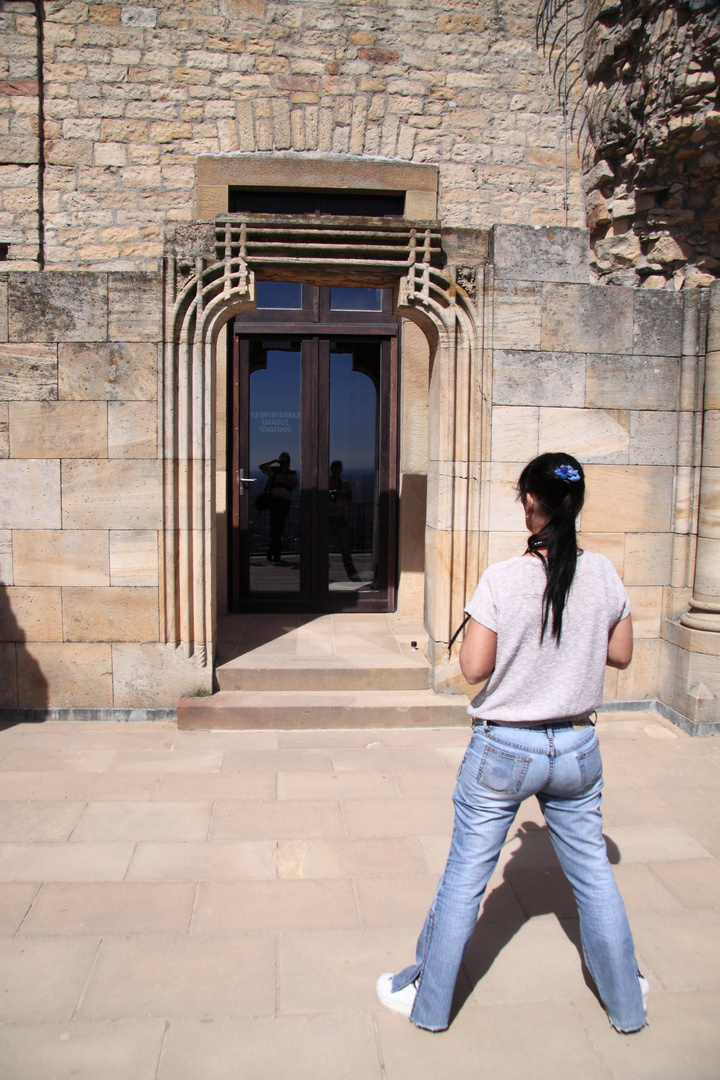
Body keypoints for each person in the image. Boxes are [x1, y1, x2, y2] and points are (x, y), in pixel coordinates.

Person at [376, 452, 648, 1034]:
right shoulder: (602, 573)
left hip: (505, 748)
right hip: (576, 749)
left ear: (531, 503)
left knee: (465, 877)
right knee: (594, 877)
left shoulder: (504, 577)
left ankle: (429, 1004)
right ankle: (626, 1002)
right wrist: (572, 644)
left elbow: (474, 668)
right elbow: (621, 653)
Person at [259, 452, 298, 563]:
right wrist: (274, 461)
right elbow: (261, 467)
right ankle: (275, 553)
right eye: (282, 459)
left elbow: (293, 486)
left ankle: (273, 552)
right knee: (274, 527)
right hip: (274, 502)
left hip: (285, 502)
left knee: (279, 527)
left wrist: (285, 474)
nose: (284, 462)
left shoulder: (292, 472)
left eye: (285, 460)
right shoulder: (274, 470)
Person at [328, 460, 360, 581]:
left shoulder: (344, 484)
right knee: (322, 546)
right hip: (328, 516)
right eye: (334, 470)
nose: (336, 472)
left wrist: (340, 495)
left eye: (337, 470)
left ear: (340, 470)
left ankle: (351, 574)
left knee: (345, 548)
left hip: (340, 516)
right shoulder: (326, 483)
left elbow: (349, 499)